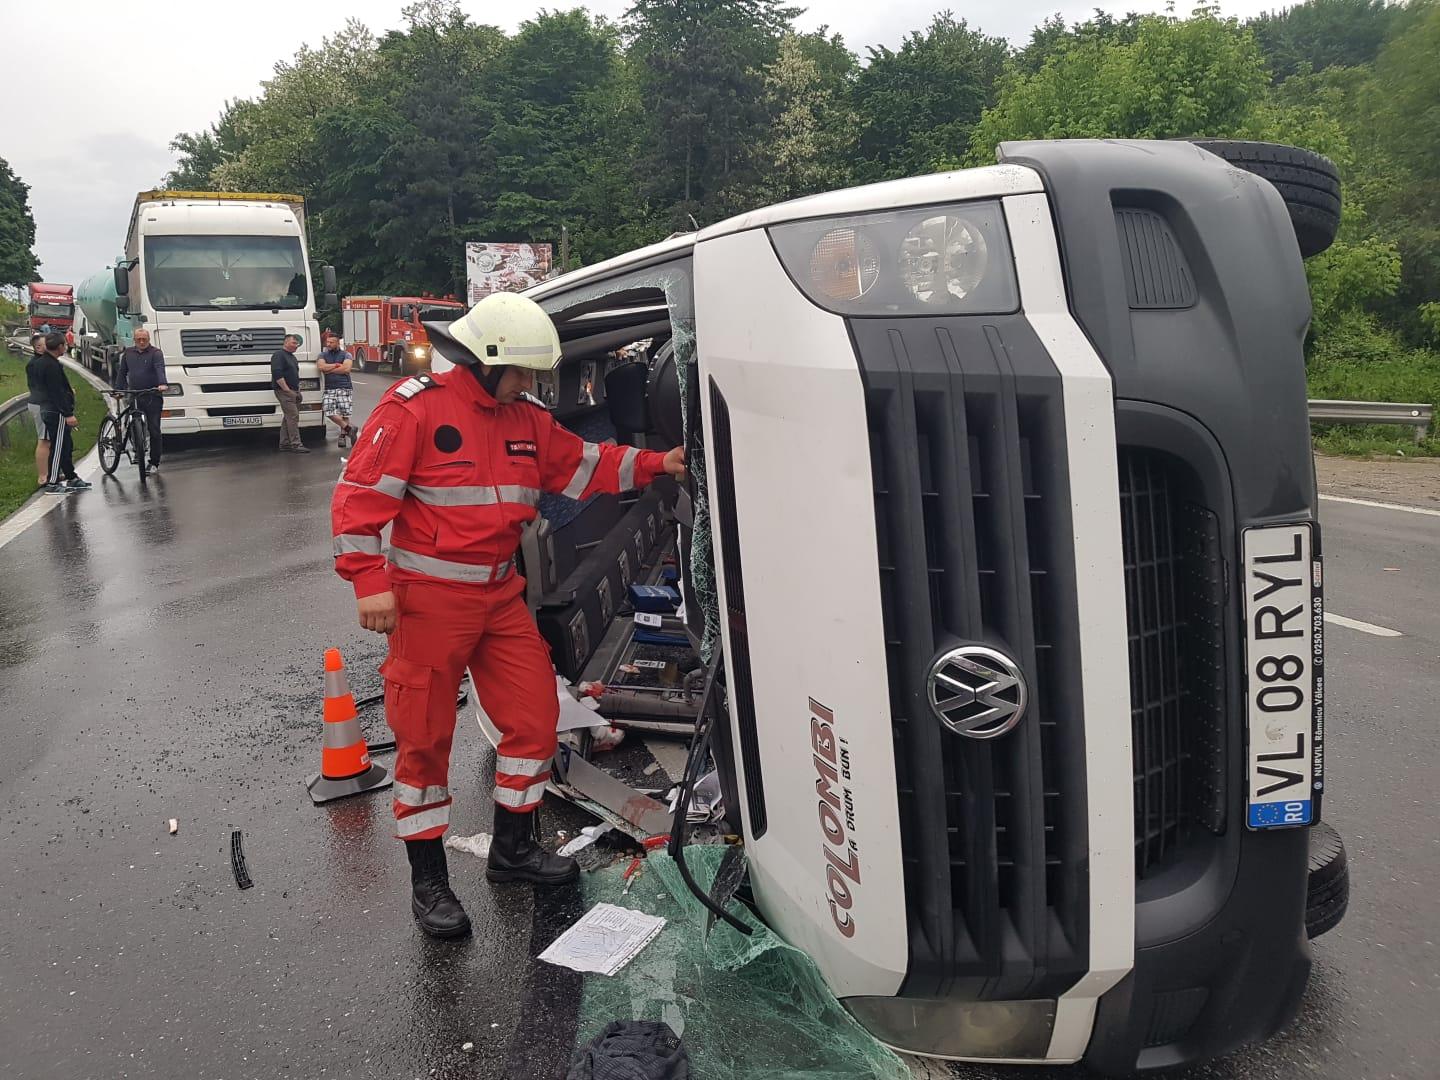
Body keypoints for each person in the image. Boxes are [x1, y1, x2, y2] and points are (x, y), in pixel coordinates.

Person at [331, 292, 686, 939]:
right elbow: (358, 498)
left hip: (498, 598)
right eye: (522, 371)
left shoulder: (525, 419)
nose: (529, 383)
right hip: (428, 602)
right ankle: (429, 881)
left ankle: (513, 850)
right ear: (486, 362)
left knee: (534, 718)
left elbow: (586, 465)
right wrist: (367, 580)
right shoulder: (414, 409)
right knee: (424, 741)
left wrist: (661, 462)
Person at [29, 333, 91, 494]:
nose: (65, 347)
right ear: (60, 347)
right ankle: (52, 481)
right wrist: (67, 413)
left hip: (49, 408)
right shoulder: (50, 365)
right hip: (54, 411)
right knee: (57, 446)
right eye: (64, 344)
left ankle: (71, 476)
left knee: (66, 445)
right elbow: (56, 392)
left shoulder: (44, 362)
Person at [117, 328, 169, 471]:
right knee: (135, 424)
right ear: (134, 340)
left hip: (152, 395)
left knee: (154, 429)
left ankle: (154, 462)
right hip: (135, 394)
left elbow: (159, 368)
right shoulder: (128, 353)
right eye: (138, 339)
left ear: (148, 339)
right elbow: (122, 372)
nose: (141, 342)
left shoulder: (156, 353)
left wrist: (162, 384)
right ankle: (137, 450)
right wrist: (118, 389)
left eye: (144, 339)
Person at [316, 331, 355, 448]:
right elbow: (321, 367)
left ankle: (342, 436)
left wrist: (329, 369)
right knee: (328, 411)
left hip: (345, 386)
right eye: (327, 342)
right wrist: (336, 365)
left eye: (331, 342)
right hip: (329, 387)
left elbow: (346, 369)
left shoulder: (346, 354)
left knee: (344, 413)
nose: (328, 344)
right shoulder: (322, 355)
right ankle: (349, 429)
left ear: (338, 343)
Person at [270, 333, 308, 453]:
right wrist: (287, 390)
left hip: (293, 390)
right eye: (294, 343)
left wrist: (297, 391)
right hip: (284, 391)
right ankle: (296, 444)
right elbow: (277, 373)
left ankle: (285, 443)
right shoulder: (279, 355)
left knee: (288, 417)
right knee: (293, 416)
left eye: (297, 344)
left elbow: (294, 375)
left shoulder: (292, 357)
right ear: (286, 342)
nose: (296, 345)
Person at [25, 334, 50, 487]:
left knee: (49, 440)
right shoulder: (36, 364)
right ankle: (42, 476)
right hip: (41, 405)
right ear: (38, 347)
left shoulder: (40, 362)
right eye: (46, 344)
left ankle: (49, 472)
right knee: (44, 440)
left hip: (42, 403)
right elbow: (42, 386)